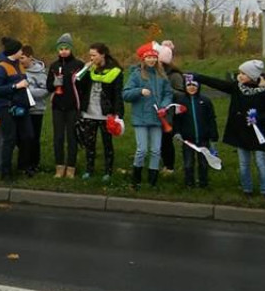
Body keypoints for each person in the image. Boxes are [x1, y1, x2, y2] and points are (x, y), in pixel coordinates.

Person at [193, 60, 265, 198]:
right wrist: (198, 77)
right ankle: (247, 189)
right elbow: (217, 83)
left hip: (258, 134)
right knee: (244, 164)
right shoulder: (236, 87)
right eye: (240, 73)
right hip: (240, 132)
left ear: (252, 75)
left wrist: (258, 118)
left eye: (244, 73)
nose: (240, 76)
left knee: (261, 162)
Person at [123, 43, 174, 188]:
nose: (151, 60)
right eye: (148, 57)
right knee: (142, 150)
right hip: (141, 119)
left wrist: (164, 106)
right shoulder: (136, 75)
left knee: (156, 150)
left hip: (157, 119)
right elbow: (126, 94)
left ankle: (152, 181)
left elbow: (168, 94)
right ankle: (136, 179)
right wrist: (139, 91)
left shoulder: (162, 76)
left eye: (154, 57)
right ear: (143, 59)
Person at [76, 43, 124, 182]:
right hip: (89, 112)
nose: (91, 58)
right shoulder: (89, 70)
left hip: (106, 113)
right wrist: (85, 70)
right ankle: (89, 169)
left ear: (102, 55)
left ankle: (108, 171)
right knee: (89, 143)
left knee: (107, 143)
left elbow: (117, 94)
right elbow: (78, 86)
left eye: (94, 55)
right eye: (90, 55)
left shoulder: (115, 72)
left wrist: (118, 113)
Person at [0, 37, 33, 181]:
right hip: (7, 108)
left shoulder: (19, 65)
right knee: (9, 139)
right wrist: (15, 86)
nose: (22, 52)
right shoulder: (0, 68)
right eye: (20, 50)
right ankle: (5, 172)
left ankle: (23, 166)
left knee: (27, 136)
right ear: (14, 51)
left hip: (22, 107)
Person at [46, 33, 85, 178]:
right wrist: (54, 83)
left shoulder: (78, 65)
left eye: (66, 49)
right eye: (61, 49)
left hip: (73, 106)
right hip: (58, 106)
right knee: (58, 137)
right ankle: (59, 166)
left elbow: (84, 86)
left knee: (72, 137)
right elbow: (48, 86)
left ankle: (71, 167)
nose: (63, 51)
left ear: (71, 49)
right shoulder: (54, 66)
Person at [174, 75, 219, 189]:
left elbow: (211, 119)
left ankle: (203, 183)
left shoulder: (205, 101)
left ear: (198, 86)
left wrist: (213, 135)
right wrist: (177, 132)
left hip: (203, 138)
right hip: (187, 139)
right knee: (188, 163)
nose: (191, 87)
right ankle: (189, 183)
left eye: (194, 85)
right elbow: (177, 119)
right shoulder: (181, 102)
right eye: (189, 85)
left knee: (203, 162)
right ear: (185, 87)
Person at [20, 45, 49, 176]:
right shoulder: (18, 70)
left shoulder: (40, 73)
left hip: (36, 110)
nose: (20, 61)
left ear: (30, 57)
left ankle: (34, 163)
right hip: (21, 110)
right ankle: (23, 163)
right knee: (22, 138)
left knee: (34, 138)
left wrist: (27, 91)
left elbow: (45, 90)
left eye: (22, 58)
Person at [157, 40, 185, 175]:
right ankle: (158, 162)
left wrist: (165, 89)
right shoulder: (154, 73)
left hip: (168, 114)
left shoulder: (174, 75)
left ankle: (169, 166)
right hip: (154, 111)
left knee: (166, 140)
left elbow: (181, 94)